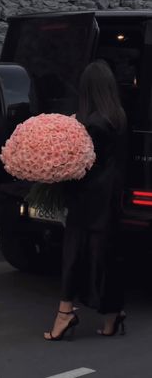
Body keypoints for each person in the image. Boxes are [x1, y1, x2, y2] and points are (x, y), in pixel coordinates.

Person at [44, 60, 127, 340]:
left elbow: (78, 163)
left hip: (86, 197)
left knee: (73, 257)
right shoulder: (118, 116)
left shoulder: (90, 123)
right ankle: (111, 317)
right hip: (110, 196)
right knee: (104, 259)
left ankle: (65, 313)